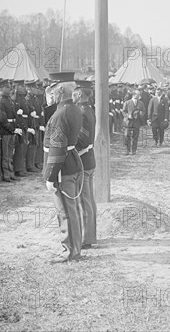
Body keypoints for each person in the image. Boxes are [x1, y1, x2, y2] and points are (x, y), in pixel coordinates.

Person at [43, 71, 84, 264]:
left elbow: (57, 148)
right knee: (72, 210)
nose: (49, 94)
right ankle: (75, 248)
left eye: (52, 90)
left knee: (65, 212)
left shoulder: (60, 114)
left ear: (60, 91)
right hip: (72, 163)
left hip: (63, 168)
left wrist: (51, 176)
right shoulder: (73, 109)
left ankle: (70, 250)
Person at [73, 81, 97, 250]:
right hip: (89, 159)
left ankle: (87, 238)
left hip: (82, 160)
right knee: (89, 200)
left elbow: (82, 139)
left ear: (80, 94)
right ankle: (90, 235)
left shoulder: (80, 112)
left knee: (84, 200)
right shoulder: (88, 109)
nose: (73, 95)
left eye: (75, 92)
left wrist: (69, 144)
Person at [0, 85, 19, 182]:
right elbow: (2, 120)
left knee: (9, 154)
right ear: (1, 89)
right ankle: (5, 175)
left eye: (9, 87)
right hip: (4, 131)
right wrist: (12, 129)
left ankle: (10, 172)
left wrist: (14, 128)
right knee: (4, 155)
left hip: (11, 130)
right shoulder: (0, 102)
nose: (8, 89)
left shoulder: (9, 100)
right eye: (5, 87)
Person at [123, 90, 145, 155]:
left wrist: (141, 113)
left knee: (135, 136)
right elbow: (123, 111)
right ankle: (127, 150)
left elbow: (144, 110)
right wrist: (128, 115)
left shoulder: (141, 103)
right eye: (138, 95)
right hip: (128, 122)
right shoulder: (127, 102)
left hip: (137, 122)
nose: (139, 96)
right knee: (127, 136)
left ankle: (134, 150)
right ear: (134, 95)